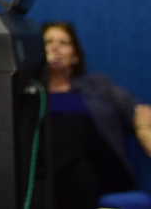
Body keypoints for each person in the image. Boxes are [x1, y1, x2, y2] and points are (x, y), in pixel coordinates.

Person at [43, 21, 151, 209]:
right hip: (65, 179)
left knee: (74, 122)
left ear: (75, 56)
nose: (55, 48)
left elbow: (139, 109)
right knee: (79, 172)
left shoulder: (98, 85)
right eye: (48, 42)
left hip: (109, 172)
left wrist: (143, 130)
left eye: (64, 43)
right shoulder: (28, 94)